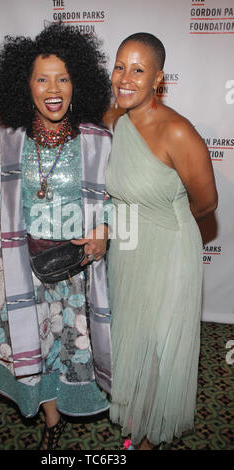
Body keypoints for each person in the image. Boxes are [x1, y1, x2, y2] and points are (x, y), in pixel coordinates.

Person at [0, 23, 113, 450]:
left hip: (77, 274)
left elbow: (124, 197)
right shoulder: (8, 142)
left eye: (63, 77)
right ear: (24, 86)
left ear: (76, 83)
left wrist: (105, 228)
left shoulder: (98, 141)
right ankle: (51, 420)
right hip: (23, 272)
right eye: (41, 78)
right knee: (36, 350)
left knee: (70, 349)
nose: (53, 88)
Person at [105, 33, 218, 450]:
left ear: (158, 78)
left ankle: (149, 436)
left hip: (169, 248)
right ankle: (137, 413)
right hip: (127, 247)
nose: (125, 78)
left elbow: (206, 203)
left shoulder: (178, 132)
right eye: (120, 67)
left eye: (138, 69)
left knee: (158, 342)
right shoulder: (113, 121)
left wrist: (160, 221)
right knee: (131, 333)